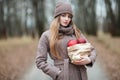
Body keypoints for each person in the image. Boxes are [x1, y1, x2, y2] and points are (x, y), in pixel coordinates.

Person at [36, 1, 97, 80]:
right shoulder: (47, 35)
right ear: (57, 16)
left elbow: (92, 50)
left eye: (69, 16)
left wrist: (89, 59)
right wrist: (57, 73)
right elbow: (40, 61)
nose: (66, 19)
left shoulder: (77, 32)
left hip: (81, 75)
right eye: (63, 15)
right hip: (63, 77)